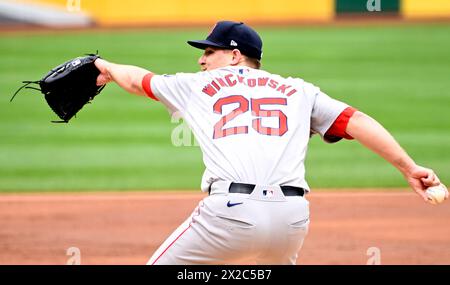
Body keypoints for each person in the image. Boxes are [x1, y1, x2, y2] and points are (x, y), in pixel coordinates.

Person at [94, 20, 447, 265]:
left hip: (230, 215)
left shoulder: (197, 85)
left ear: (234, 55)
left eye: (209, 51)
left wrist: (104, 65)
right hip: (291, 220)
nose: (201, 59)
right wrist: (409, 167)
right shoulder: (299, 89)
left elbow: (139, 80)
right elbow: (356, 121)